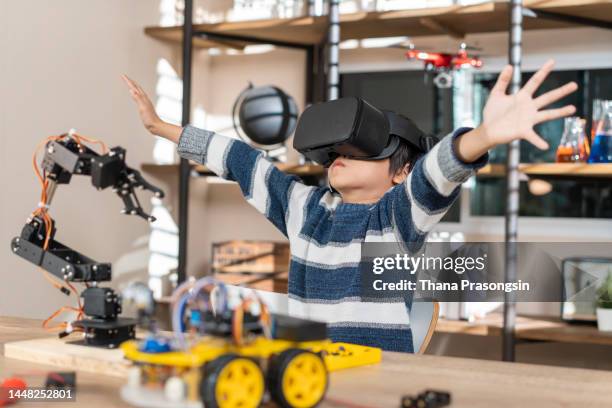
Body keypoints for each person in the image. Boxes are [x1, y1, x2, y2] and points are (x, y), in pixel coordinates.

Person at [123, 60, 577, 352]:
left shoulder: (399, 216)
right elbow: (243, 162)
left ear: (400, 172)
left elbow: (441, 169)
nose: (341, 157)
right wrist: (164, 128)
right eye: (336, 151)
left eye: (365, 151)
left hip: (379, 372)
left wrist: (483, 137)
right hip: (310, 368)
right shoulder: (305, 208)